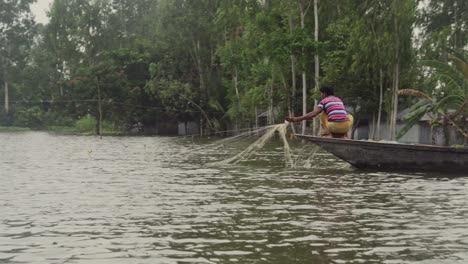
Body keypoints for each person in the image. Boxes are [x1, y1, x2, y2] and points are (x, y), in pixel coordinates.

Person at [285, 85, 353, 138]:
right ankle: (345, 136)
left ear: (324, 93)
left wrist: (297, 119)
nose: (320, 95)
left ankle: (327, 135)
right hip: (345, 127)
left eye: (321, 93)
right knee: (349, 116)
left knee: (322, 114)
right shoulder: (339, 99)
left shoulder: (323, 101)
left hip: (334, 126)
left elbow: (313, 114)